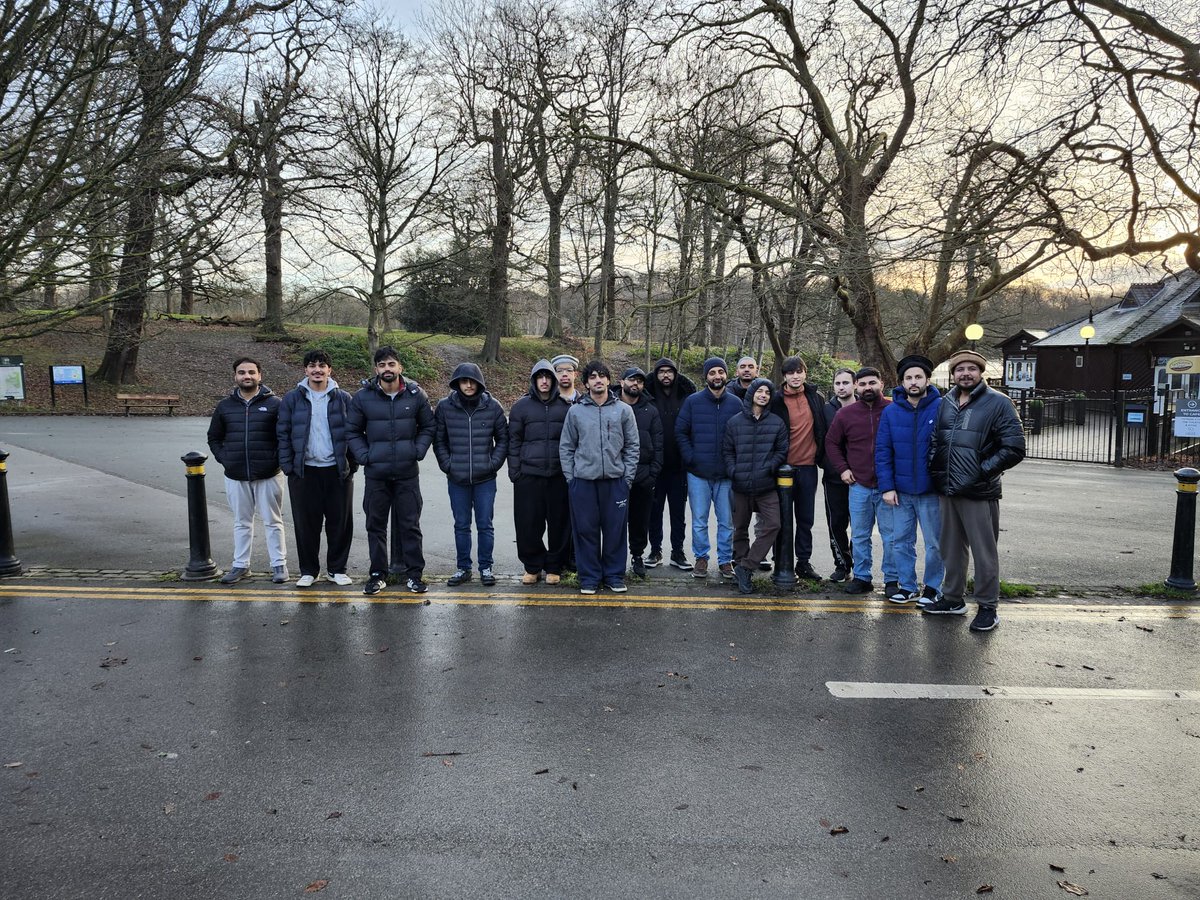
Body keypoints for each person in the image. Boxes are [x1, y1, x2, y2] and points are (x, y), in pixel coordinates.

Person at [925, 349, 1026, 631]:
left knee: (984, 552)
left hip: (979, 491)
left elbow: (1014, 448)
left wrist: (981, 472)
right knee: (951, 549)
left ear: (981, 372)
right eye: (960, 369)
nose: (965, 373)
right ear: (953, 373)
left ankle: (987, 607)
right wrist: (936, 467)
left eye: (971, 368)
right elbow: (937, 440)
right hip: (947, 489)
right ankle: (952, 598)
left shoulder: (999, 403)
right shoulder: (946, 401)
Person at [346, 346, 435, 596]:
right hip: (376, 474)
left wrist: (417, 450)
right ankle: (377, 575)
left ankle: (414, 575)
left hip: (407, 473)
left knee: (410, 525)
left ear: (400, 368)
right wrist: (365, 456)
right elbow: (352, 431)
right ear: (376, 369)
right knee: (375, 525)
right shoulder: (363, 397)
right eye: (382, 365)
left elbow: (429, 426)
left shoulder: (416, 395)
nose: (387, 369)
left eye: (391, 364)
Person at [276, 350, 356, 588]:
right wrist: (289, 466)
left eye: (322, 366)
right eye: (312, 366)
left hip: (337, 470)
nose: (317, 370)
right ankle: (309, 571)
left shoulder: (344, 398)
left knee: (339, 523)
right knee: (306, 523)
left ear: (330, 370)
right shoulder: (292, 398)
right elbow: (282, 433)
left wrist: (351, 466)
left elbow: (353, 433)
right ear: (305, 370)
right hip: (304, 471)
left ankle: (337, 569)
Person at [559, 360, 639, 594]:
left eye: (602, 376)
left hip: (616, 482)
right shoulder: (576, 411)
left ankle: (614, 575)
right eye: (593, 376)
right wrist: (571, 478)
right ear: (586, 383)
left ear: (608, 380)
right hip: (583, 482)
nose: (598, 380)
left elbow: (633, 446)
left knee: (615, 531)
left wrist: (627, 478)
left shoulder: (624, 410)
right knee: (585, 531)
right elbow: (566, 447)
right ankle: (590, 578)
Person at [208, 357, 287, 585]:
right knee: (242, 522)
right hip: (236, 475)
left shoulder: (275, 404)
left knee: (273, 521)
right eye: (242, 372)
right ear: (235, 376)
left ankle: (279, 565)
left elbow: (284, 437)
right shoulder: (225, 406)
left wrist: (276, 461)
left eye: (251, 372)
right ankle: (241, 566)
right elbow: (214, 437)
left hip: (269, 473)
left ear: (260, 375)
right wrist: (226, 460)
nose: (247, 376)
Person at [875, 355, 943, 605]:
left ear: (927, 379)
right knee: (901, 541)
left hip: (931, 491)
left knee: (935, 543)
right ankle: (907, 586)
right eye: (908, 378)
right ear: (902, 382)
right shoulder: (891, 411)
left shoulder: (942, 407)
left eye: (918, 377)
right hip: (900, 492)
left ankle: (934, 587)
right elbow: (883, 451)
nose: (913, 382)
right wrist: (887, 487)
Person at [433, 362, 509, 587]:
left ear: (479, 383)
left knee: (485, 524)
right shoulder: (445, 407)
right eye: (464, 381)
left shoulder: (492, 406)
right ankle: (463, 567)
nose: (468, 385)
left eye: (472, 381)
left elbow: (503, 439)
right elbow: (439, 440)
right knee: (461, 525)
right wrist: (448, 465)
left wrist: (492, 464)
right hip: (457, 479)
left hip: (485, 479)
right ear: (457, 383)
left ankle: (486, 567)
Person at [824, 367, 896, 595]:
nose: (867, 388)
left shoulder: (893, 410)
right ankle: (862, 577)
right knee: (860, 535)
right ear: (857, 386)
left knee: (890, 535)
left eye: (872, 383)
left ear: (881, 384)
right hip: (859, 486)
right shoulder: (845, 414)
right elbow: (831, 443)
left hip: (888, 486)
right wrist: (843, 469)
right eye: (863, 384)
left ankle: (892, 580)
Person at [676, 357, 742, 580]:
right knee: (699, 520)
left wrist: (734, 463)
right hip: (698, 473)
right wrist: (691, 458)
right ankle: (701, 558)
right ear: (706, 377)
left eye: (720, 372)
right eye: (712, 372)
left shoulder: (735, 403)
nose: (717, 376)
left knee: (726, 521)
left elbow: (742, 436)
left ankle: (725, 560)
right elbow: (681, 432)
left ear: (726, 375)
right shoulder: (693, 402)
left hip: (726, 474)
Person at [508, 359, 572, 585]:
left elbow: (572, 443)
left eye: (548, 377)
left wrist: (569, 473)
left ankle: (554, 566)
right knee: (528, 524)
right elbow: (513, 442)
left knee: (559, 524)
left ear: (554, 381)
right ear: (534, 380)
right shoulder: (520, 407)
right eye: (539, 377)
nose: (544, 381)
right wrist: (515, 472)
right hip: (528, 476)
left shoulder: (566, 408)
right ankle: (533, 566)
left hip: (558, 476)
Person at [723, 378, 788, 594]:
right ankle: (743, 570)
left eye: (767, 392)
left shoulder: (776, 423)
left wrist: (770, 467)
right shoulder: (734, 422)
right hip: (740, 485)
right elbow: (728, 451)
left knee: (773, 524)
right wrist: (733, 470)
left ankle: (746, 566)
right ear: (751, 394)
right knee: (740, 528)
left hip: (766, 485)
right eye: (759, 391)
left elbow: (781, 450)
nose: (763, 395)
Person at [768, 355, 827, 580]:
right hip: (782, 469)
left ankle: (803, 562)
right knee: (781, 519)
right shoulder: (776, 400)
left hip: (808, 468)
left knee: (805, 519)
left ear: (805, 373)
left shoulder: (815, 397)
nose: (795, 376)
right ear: (784, 376)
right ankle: (780, 561)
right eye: (790, 372)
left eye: (799, 371)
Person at [644, 357, 696, 570]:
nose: (666, 375)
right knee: (653, 512)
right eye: (661, 372)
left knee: (678, 512)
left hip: (678, 466)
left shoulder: (686, 396)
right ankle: (655, 550)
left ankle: (678, 551)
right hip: (655, 465)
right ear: (656, 375)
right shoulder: (647, 397)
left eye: (669, 371)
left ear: (675, 374)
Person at [620, 367, 664, 577]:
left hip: (643, 476)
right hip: (616, 476)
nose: (635, 384)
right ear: (622, 382)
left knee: (640, 521)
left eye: (639, 381)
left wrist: (652, 472)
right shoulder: (613, 407)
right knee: (615, 522)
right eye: (631, 380)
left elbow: (658, 443)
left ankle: (637, 556)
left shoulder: (650, 410)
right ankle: (615, 560)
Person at [822, 367, 856, 581]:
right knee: (837, 523)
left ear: (854, 384)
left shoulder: (864, 407)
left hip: (861, 477)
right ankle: (842, 564)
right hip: (834, 476)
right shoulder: (826, 410)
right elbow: (821, 439)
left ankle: (860, 565)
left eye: (846, 383)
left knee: (860, 526)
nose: (842, 387)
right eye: (838, 383)